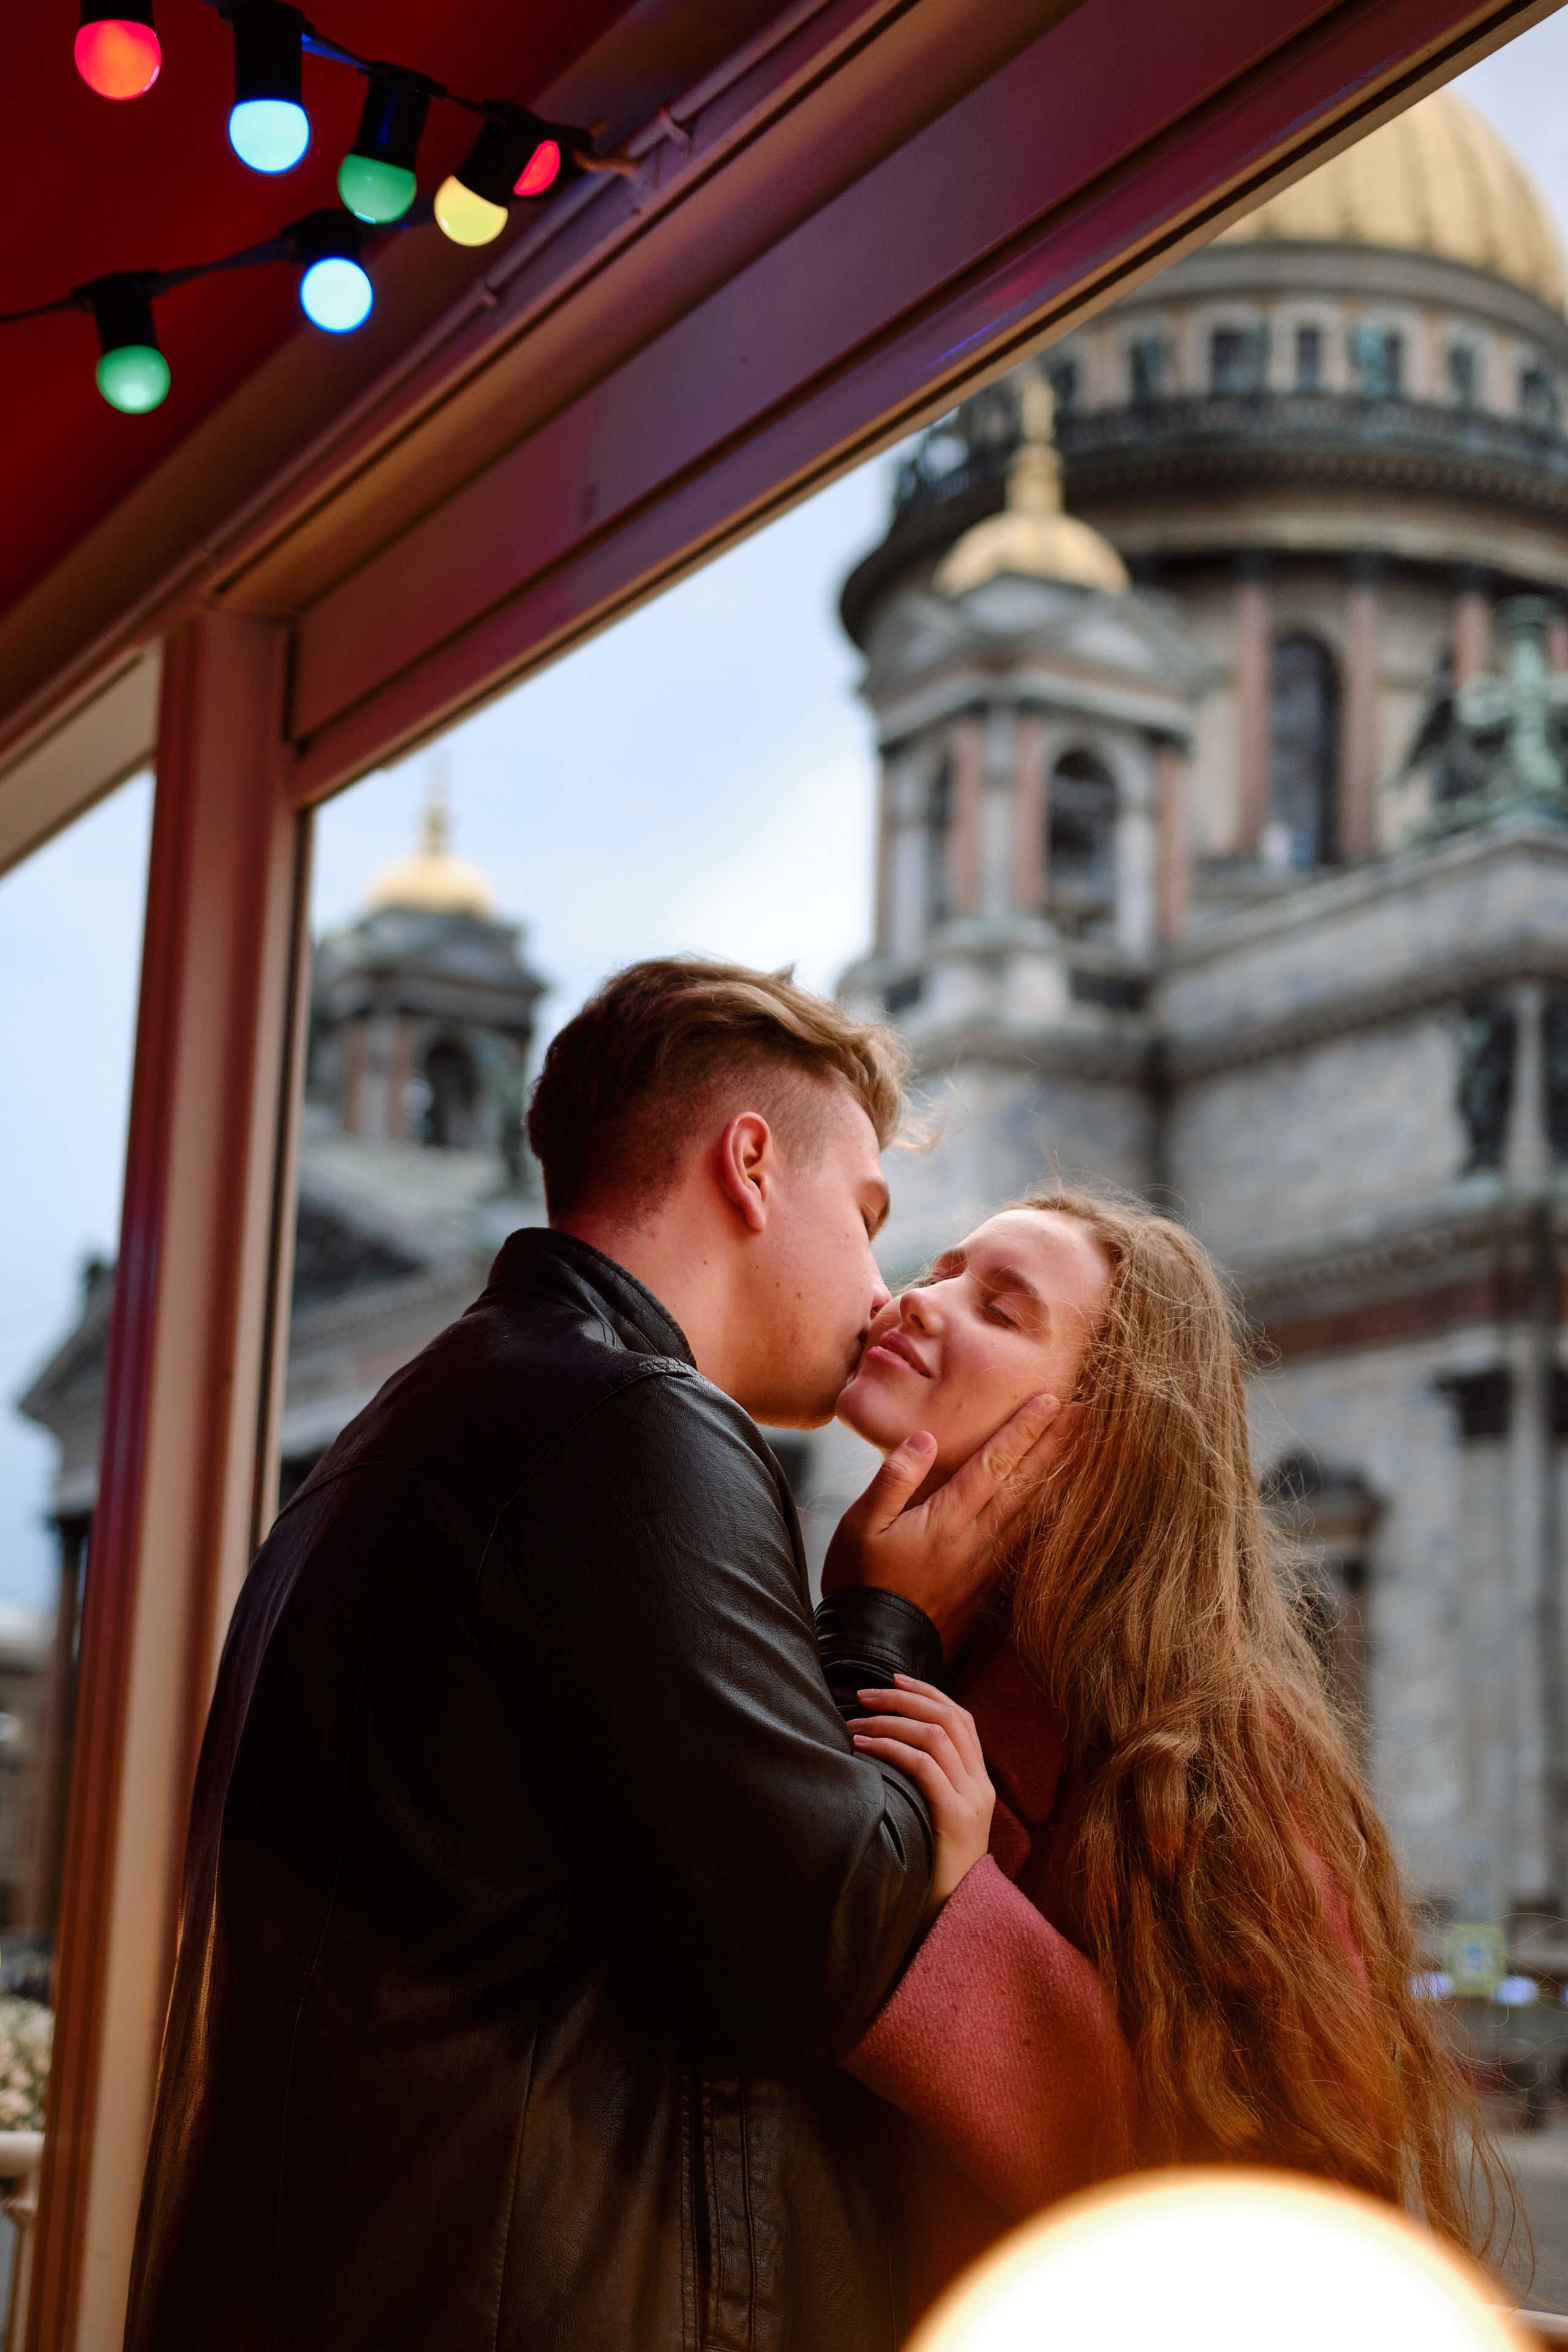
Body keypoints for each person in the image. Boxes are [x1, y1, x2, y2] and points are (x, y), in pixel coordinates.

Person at [125, 960, 1069, 2352]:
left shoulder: (404, 1431)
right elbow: (824, 1947)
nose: (882, 1294)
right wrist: (885, 1615)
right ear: (750, 1165)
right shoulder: (631, 1420)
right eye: (869, 1219)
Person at [822, 1189, 1506, 2319]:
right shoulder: (904, 1636)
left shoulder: (1217, 1754)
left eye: (1000, 1308)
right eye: (941, 1270)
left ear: (1100, 1437)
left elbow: (1290, 2209)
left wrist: (959, 1907)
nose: (919, 1302)